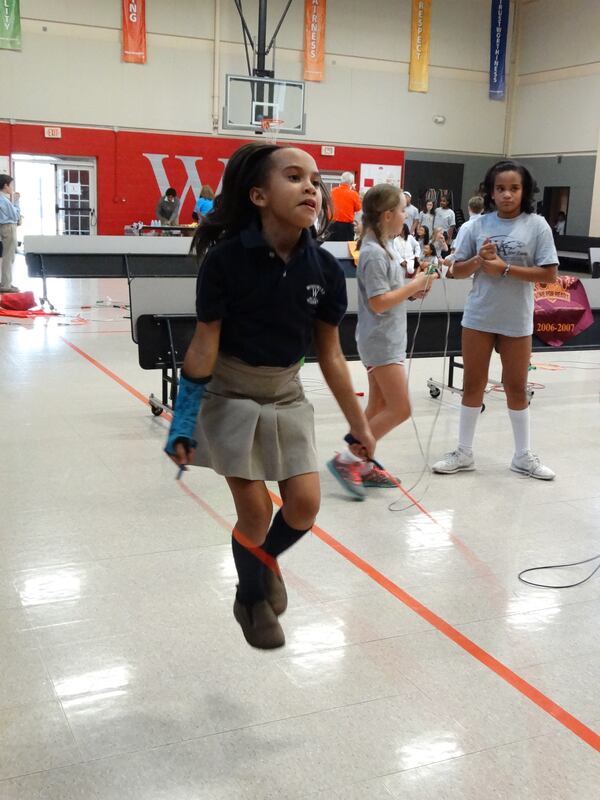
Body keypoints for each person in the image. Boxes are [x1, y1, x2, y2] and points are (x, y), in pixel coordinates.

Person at [164, 143, 375, 650]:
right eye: (295, 177)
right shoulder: (224, 261)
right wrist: (182, 421)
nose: (311, 188)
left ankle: (261, 561)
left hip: (285, 393)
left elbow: (329, 354)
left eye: (315, 181)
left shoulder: (325, 270)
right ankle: (252, 596)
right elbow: (203, 345)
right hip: (230, 392)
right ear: (258, 194)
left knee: (303, 505)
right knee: (256, 513)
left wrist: (359, 422)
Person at [432, 159, 558, 480]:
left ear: (524, 191)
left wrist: (503, 268)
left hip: (517, 319)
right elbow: (454, 271)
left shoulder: (537, 226)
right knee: (473, 384)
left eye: (514, 188)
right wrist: (479, 259)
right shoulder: (475, 226)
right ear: (490, 192)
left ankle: (522, 456)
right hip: (479, 317)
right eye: (500, 188)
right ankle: (463, 452)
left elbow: (548, 274)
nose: (507, 195)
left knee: (516, 387)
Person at [327, 184, 436, 498]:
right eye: (402, 210)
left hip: (387, 338)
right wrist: (412, 285)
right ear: (388, 215)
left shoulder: (385, 247)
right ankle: (348, 460)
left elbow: (390, 293)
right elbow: (377, 302)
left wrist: (414, 289)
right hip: (380, 342)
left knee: (376, 407)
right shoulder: (374, 253)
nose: (405, 215)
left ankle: (364, 460)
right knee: (400, 409)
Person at [0, 174, 21, 293]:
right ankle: (6, 285)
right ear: (5, 186)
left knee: (9, 256)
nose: (12, 188)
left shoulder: (4, 199)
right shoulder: (3, 199)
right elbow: (15, 215)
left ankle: (6, 282)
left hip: (5, 227)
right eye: (11, 185)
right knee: (9, 256)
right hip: (9, 227)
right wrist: (17, 202)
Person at [329, 171, 361, 241]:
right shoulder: (353, 194)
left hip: (332, 224)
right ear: (351, 183)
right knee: (346, 247)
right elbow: (358, 208)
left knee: (332, 246)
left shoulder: (333, 191)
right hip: (346, 227)